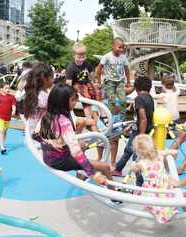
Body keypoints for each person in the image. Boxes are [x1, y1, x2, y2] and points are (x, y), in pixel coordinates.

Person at [33, 84, 113, 185]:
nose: (76, 102)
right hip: (60, 161)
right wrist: (94, 174)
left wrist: (50, 144)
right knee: (105, 168)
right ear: (62, 102)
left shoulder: (47, 115)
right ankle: (115, 197)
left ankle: (81, 175)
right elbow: (76, 152)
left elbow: (35, 135)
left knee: (82, 145)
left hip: (48, 158)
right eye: (73, 100)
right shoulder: (64, 122)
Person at [96, 37, 133, 166]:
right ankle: (100, 159)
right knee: (111, 99)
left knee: (122, 100)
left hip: (120, 82)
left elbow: (127, 70)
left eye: (122, 47)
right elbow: (99, 69)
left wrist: (128, 81)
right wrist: (98, 81)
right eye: (119, 47)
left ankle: (120, 119)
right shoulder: (107, 57)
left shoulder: (123, 58)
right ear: (113, 46)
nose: (121, 49)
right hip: (109, 83)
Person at [130, 134, 179, 224]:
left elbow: (133, 169)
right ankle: (169, 213)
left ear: (138, 152)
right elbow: (174, 152)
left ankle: (163, 216)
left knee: (155, 201)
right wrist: (173, 154)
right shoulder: (159, 154)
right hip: (165, 184)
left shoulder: (141, 163)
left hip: (152, 188)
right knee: (168, 198)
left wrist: (132, 164)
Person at [115, 76, 155, 180]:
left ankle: (139, 181)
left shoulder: (139, 99)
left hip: (140, 132)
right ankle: (118, 168)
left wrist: (141, 137)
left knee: (136, 156)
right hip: (146, 130)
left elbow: (143, 119)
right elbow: (144, 118)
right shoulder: (150, 98)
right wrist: (130, 126)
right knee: (129, 150)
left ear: (136, 88)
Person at [66, 43, 101, 119]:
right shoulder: (71, 67)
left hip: (86, 83)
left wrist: (94, 83)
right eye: (79, 57)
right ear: (74, 56)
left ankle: (99, 112)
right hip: (76, 84)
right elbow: (68, 83)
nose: (81, 59)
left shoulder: (86, 63)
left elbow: (91, 74)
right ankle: (89, 117)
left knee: (97, 92)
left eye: (83, 57)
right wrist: (70, 93)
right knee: (86, 96)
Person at [24, 63, 54, 137]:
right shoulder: (42, 96)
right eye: (52, 77)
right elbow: (53, 108)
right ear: (44, 78)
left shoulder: (35, 92)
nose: (54, 80)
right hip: (38, 134)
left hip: (33, 131)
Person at [0, 83, 16, 154]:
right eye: (6, 88)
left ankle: (3, 143)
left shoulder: (12, 97)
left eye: (8, 88)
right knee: (1, 130)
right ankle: (2, 147)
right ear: (2, 89)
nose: (8, 89)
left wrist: (14, 110)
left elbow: (13, 105)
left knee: (5, 131)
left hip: (7, 117)